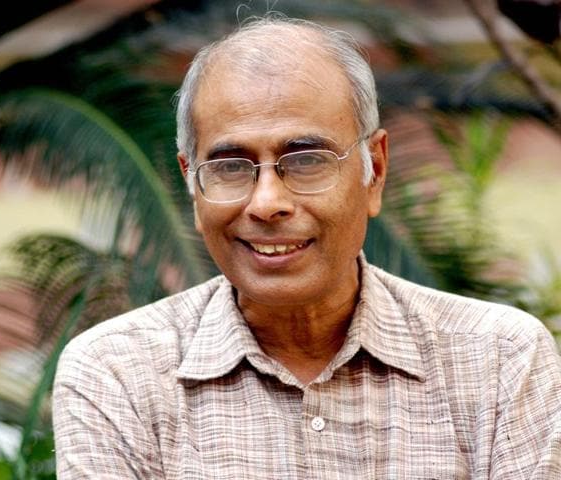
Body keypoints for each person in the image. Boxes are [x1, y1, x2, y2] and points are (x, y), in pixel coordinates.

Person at [52, 17, 561, 479]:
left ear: (374, 171)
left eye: (306, 160)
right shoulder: (117, 373)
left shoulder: (496, 359)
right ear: (192, 183)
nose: (267, 202)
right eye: (229, 166)